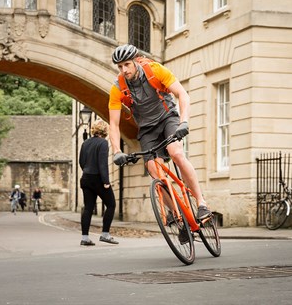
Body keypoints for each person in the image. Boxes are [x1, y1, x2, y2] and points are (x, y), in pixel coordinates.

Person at [108, 44, 212, 222]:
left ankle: (202, 204)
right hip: (147, 129)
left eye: (127, 64)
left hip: (167, 118)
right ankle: (177, 216)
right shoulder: (118, 88)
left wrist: (184, 122)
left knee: (176, 153)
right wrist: (117, 151)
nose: (124, 70)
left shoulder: (155, 70)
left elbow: (182, 94)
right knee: (154, 172)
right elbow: (114, 124)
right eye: (120, 67)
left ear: (135, 60)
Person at [79, 119, 118, 246]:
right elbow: (103, 164)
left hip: (86, 178)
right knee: (111, 204)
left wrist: (87, 171)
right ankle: (105, 234)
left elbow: (81, 162)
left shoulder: (85, 143)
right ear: (105, 130)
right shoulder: (103, 143)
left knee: (88, 208)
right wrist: (106, 181)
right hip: (98, 179)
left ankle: (85, 238)